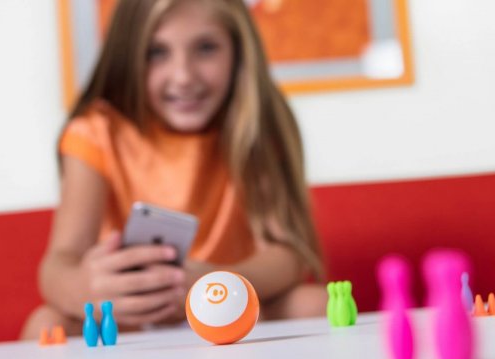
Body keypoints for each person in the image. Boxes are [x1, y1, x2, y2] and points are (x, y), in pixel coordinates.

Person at [20, 0, 326, 339]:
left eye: (206, 48)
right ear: (128, 55)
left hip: (231, 310)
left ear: (239, 51)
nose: (183, 76)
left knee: (316, 303)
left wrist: (215, 284)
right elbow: (59, 261)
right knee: (45, 323)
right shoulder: (95, 133)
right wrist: (84, 288)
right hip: (128, 317)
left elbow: (288, 255)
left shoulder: (254, 128)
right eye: (157, 52)